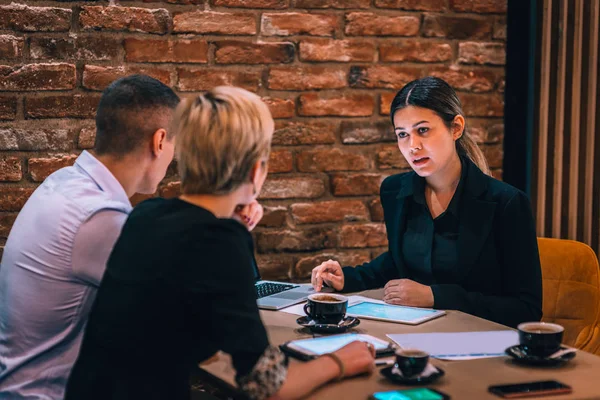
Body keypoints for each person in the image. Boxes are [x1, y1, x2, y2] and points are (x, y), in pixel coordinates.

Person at [65, 87, 375, 400]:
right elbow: (268, 386)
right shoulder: (219, 240)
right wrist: (340, 361)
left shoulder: (147, 214)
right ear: (256, 171)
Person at [0, 75, 181, 399]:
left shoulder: (65, 181)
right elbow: (176, 311)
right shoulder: (99, 216)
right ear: (159, 140)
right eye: (174, 146)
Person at [311, 77, 542, 329]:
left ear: (456, 128)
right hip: (413, 334)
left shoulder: (507, 203)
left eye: (422, 130)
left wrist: (435, 296)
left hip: (477, 340)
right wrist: (348, 278)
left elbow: (526, 309)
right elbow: (401, 261)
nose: (413, 146)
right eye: (402, 135)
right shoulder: (395, 190)